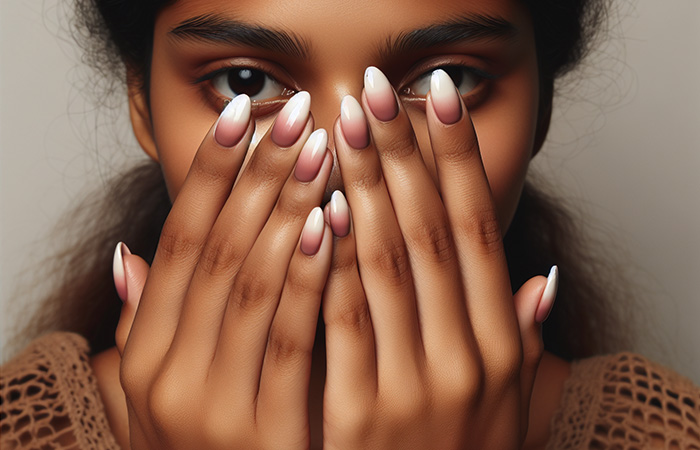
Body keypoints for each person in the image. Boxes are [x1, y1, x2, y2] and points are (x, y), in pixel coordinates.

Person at [1, 0, 698, 448]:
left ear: (541, 108)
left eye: (445, 78)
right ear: (144, 107)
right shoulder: (24, 429)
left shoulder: (660, 434)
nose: (340, 152)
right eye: (246, 83)